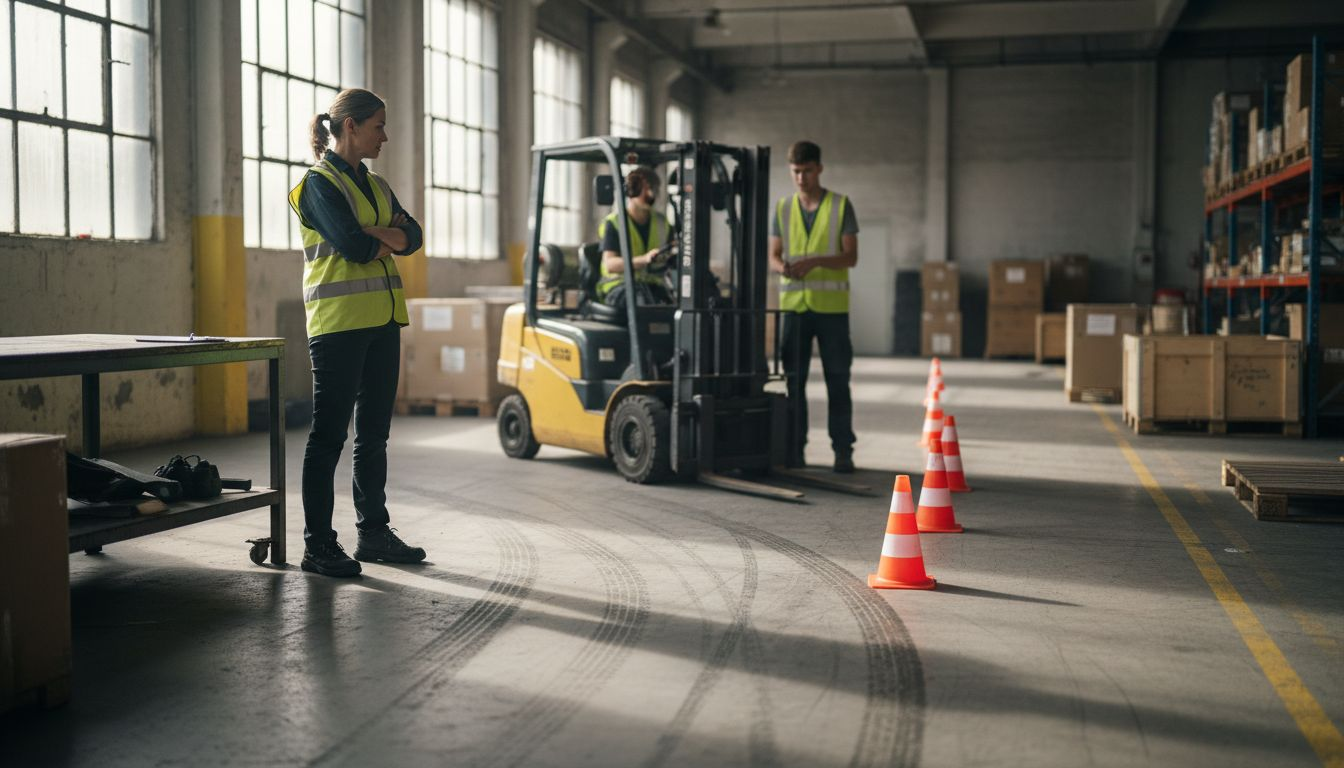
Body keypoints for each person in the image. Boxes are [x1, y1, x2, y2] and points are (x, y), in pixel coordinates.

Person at [287, 88, 427, 577]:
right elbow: (351, 246)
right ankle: (318, 545)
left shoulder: (378, 186)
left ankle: (373, 534)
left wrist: (383, 237)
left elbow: (415, 236)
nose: (384, 136)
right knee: (328, 436)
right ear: (350, 127)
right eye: (378, 127)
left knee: (373, 435)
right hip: (339, 326)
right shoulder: (317, 185)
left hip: (384, 321)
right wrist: (387, 237)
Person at [768, 140, 859, 474]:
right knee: (794, 382)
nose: (801, 178)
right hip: (794, 308)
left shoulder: (840, 205)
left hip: (831, 311)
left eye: (807, 171)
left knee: (838, 379)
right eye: (795, 172)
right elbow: (773, 255)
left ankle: (843, 450)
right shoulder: (782, 209)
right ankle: (795, 449)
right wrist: (783, 267)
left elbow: (851, 256)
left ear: (819, 168)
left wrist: (815, 261)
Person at [596, 166, 674, 310]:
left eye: (654, 189)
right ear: (631, 190)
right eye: (646, 189)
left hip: (652, 287)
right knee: (641, 303)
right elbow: (610, 264)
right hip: (619, 287)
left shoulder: (662, 223)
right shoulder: (614, 223)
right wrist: (645, 259)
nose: (651, 194)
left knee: (673, 306)